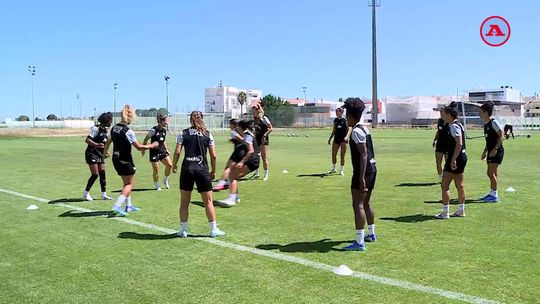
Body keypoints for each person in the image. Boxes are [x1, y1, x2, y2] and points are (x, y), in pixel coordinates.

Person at [172, 111, 225, 237]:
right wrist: (213, 171)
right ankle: (213, 230)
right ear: (202, 119)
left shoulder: (183, 133)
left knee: (184, 202)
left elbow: (177, 152)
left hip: (187, 169)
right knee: (208, 201)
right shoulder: (208, 134)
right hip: (202, 170)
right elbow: (213, 155)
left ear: (190, 120)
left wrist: (174, 165)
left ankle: (183, 230)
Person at [104, 105, 157, 216]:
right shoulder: (128, 131)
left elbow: (108, 141)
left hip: (116, 159)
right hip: (125, 160)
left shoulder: (114, 128)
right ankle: (117, 205)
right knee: (129, 184)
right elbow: (139, 147)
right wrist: (152, 145)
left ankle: (129, 206)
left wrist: (105, 153)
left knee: (125, 183)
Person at [341, 98, 377, 251]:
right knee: (367, 203)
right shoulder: (364, 128)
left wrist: (361, 177)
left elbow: (363, 154)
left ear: (350, 115)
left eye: (346, 114)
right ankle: (371, 234)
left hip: (363, 171)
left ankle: (359, 242)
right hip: (372, 169)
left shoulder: (355, 131)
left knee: (358, 205)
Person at [435, 102, 467, 219]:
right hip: (462, 157)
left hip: (456, 158)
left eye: (443, 113)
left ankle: (445, 212)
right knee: (460, 185)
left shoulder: (453, 126)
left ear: (449, 114)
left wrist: (453, 159)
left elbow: (459, 143)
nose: (442, 116)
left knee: (445, 185)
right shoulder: (459, 124)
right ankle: (461, 210)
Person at [218, 119, 260, 207]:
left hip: (252, 160)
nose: (237, 129)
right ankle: (235, 197)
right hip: (254, 160)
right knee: (233, 175)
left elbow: (251, 151)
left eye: (238, 127)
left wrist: (242, 162)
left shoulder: (247, 135)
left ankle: (232, 199)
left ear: (241, 127)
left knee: (232, 176)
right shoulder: (249, 134)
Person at [83, 112, 113, 201]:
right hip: (91, 154)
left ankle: (104, 194)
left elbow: (104, 144)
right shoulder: (95, 129)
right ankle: (86, 193)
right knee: (95, 174)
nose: (111, 122)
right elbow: (87, 140)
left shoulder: (105, 131)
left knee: (102, 173)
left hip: (100, 154)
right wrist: (96, 144)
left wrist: (106, 152)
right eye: (110, 121)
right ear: (106, 121)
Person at [479, 102, 504, 203]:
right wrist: (485, 152)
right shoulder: (486, 124)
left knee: (490, 173)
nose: (479, 114)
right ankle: (492, 193)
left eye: (480, 112)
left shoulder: (494, 123)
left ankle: (494, 195)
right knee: (493, 173)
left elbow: (501, 137)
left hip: (496, 151)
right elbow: (489, 141)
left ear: (486, 112)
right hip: (491, 151)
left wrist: (495, 149)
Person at [142, 113, 173, 191]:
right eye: (166, 121)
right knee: (156, 170)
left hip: (162, 150)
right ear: (161, 121)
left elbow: (163, 140)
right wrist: (143, 149)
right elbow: (145, 139)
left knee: (169, 165)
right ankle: (156, 185)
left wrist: (166, 149)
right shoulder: (153, 130)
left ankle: (165, 179)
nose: (167, 123)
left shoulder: (164, 130)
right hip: (154, 152)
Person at [213, 119, 244, 191]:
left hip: (238, 151)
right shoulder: (242, 130)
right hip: (242, 152)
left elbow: (242, 139)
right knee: (233, 169)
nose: (229, 126)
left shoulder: (233, 132)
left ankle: (219, 185)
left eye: (230, 124)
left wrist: (235, 140)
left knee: (228, 168)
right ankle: (228, 183)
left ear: (233, 125)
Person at [327, 107, 351, 175]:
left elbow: (348, 130)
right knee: (333, 154)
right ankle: (334, 169)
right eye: (336, 112)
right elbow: (334, 130)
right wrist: (330, 138)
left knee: (342, 155)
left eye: (337, 112)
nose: (336, 113)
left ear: (341, 112)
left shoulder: (345, 120)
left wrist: (347, 137)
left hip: (343, 140)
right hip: (336, 139)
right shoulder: (335, 120)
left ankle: (341, 170)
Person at [252, 104, 273, 181]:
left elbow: (271, 128)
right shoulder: (254, 119)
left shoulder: (264, 118)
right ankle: (256, 172)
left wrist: (264, 135)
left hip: (263, 140)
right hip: (256, 139)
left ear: (257, 111)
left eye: (253, 111)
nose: (252, 113)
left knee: (264, 157)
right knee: (255, 156)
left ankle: (266, 174)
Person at [432, 111, 450, 181]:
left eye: (442, 112)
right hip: (440, 144)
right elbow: (438, 131)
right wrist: (435, 140)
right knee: (438, 161)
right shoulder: (440, 121)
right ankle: (441, 176)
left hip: (448, 144)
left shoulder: (450, 121)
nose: (441, 113)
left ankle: (447, 176)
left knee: (447, 161)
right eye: (440, 112)